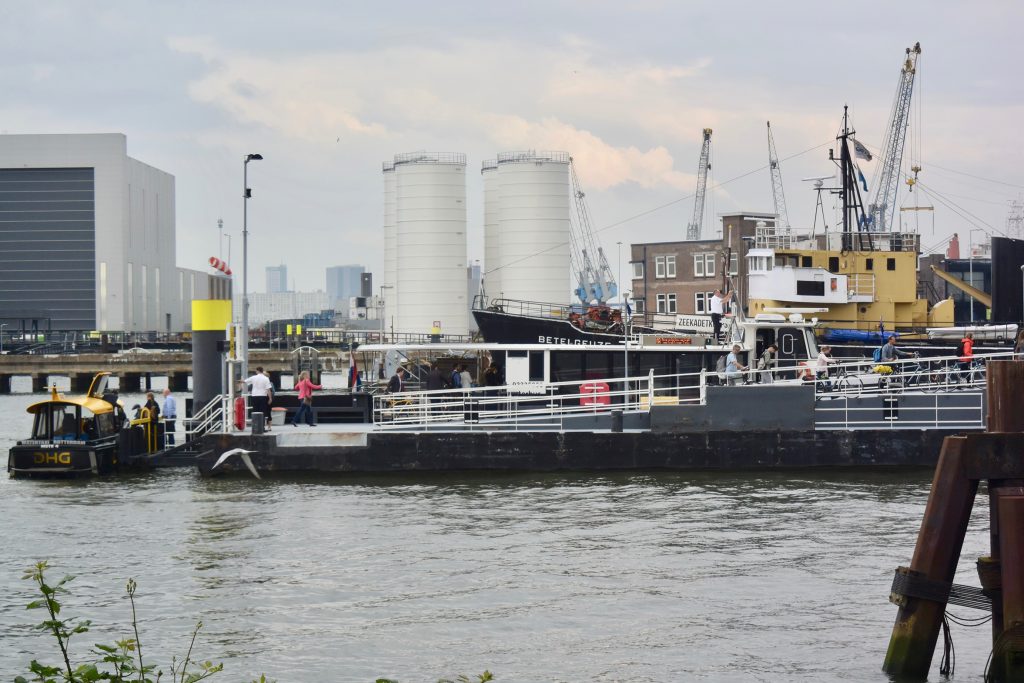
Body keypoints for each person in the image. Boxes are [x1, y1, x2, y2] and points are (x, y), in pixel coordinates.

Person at [243, 365, 274, 433]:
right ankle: (262, 428)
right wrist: (270, 398)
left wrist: (238, 381)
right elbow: (268, 389)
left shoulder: (253, 377)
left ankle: (255, 427)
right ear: (262, 371)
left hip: (254, 396)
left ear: (257, 371)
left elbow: (244, 381)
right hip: (263, 397)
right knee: (262, 412)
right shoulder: (266, 378)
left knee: (255, 411)